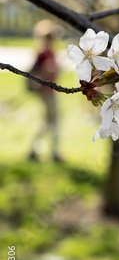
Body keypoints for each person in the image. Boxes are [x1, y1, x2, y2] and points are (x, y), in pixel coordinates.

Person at [28, 19, 64, 162]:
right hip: (47, 92)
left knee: (46, 122)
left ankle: (34, 150)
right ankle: (54, 153)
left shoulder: (45, 52)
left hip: (49, 91)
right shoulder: (45, 53)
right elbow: (46, 72)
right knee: (53, 122)